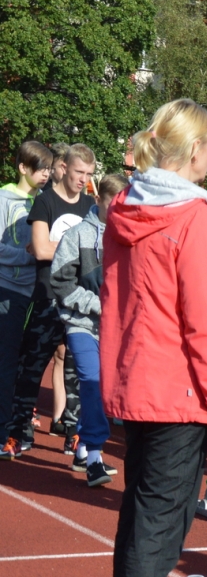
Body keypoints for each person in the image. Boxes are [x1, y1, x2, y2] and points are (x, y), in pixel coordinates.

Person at [101, 97, 207, 577]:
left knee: (142, 524)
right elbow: (206, 318)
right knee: (157, 530)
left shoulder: (126, 207)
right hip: (178, 391)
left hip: (138, 379)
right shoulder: (195, 216)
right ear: (195, 151)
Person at [1, 144, 94, 459]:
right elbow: (40, 250)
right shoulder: (44, 202)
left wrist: (68, 250)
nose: (84, 179)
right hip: (47, 298)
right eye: (79, 172)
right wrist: (79, 250)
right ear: (65, 167)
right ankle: (18, 433)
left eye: (89, 174)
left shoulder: (91, 207)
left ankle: (73, 433)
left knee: (78, 371)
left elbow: (94, 256)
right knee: (31, 368)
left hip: (80, 302)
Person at [53, 173, 127, 485]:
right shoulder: (78, 235)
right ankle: (95, 456)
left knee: (104, 389)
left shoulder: (130, 238)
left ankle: (82, 448)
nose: (119, 210)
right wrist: (100, 305)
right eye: (113, 203)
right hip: (81, 324)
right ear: (98, 200)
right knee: (92, 380)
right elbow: (60, 281)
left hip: (116, 330)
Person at [0, 141, 52, 436]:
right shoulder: (3, 199)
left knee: (26, 360)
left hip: (38, 292)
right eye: (40, 168)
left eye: (48, 168)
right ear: (22, 167)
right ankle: (3, 426)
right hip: (8, 290)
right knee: (7, 359)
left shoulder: (43, 201)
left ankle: (19, 421)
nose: (45, 174)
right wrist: (30, 256)